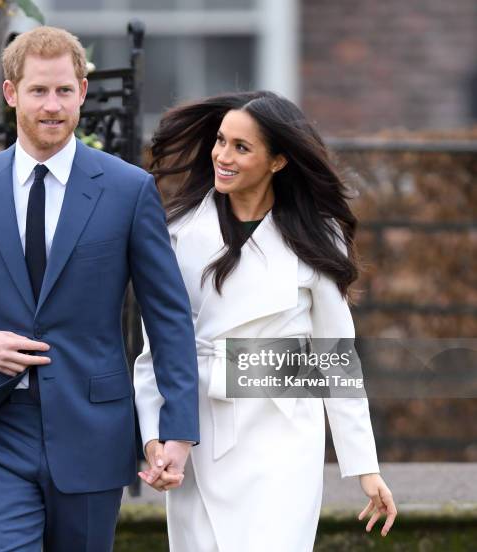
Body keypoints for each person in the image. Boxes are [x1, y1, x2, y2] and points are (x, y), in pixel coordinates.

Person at [0, 26, 199, 552]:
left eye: (65, 90)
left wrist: (177, 428)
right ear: (11, 93)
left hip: (92, 429)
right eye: (39, 90)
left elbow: (168, 315)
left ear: (83, 93)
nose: (52, 105)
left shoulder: (129, 190)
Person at [134, 91, 397, 551]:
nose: (222, 156)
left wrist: (365, 466)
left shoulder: (317, 236)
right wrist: (156, 438)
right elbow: (155, 350)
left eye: (241, 147)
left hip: (282, 438)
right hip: (200, 432)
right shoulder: (178, 233)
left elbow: (334, 356)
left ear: (277, 161)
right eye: (220, 141)